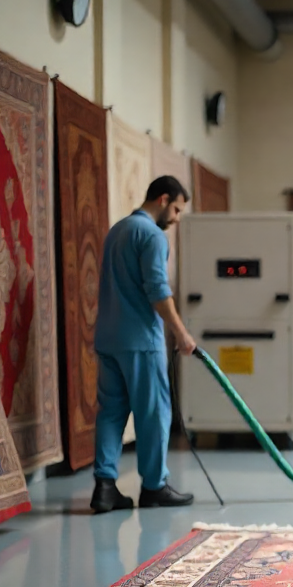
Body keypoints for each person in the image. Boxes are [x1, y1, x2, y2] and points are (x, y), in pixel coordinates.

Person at [90, 175, 197, 513]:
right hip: (140, 341)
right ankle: (154, 487)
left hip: (108, 337)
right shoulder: (151, 235)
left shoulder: (117, 230)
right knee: (154, 413)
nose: (176, 219)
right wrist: (181, 332)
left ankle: (105, 488)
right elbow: (157, 290)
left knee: (111, 413)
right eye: (177, 209)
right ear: (163, 199)